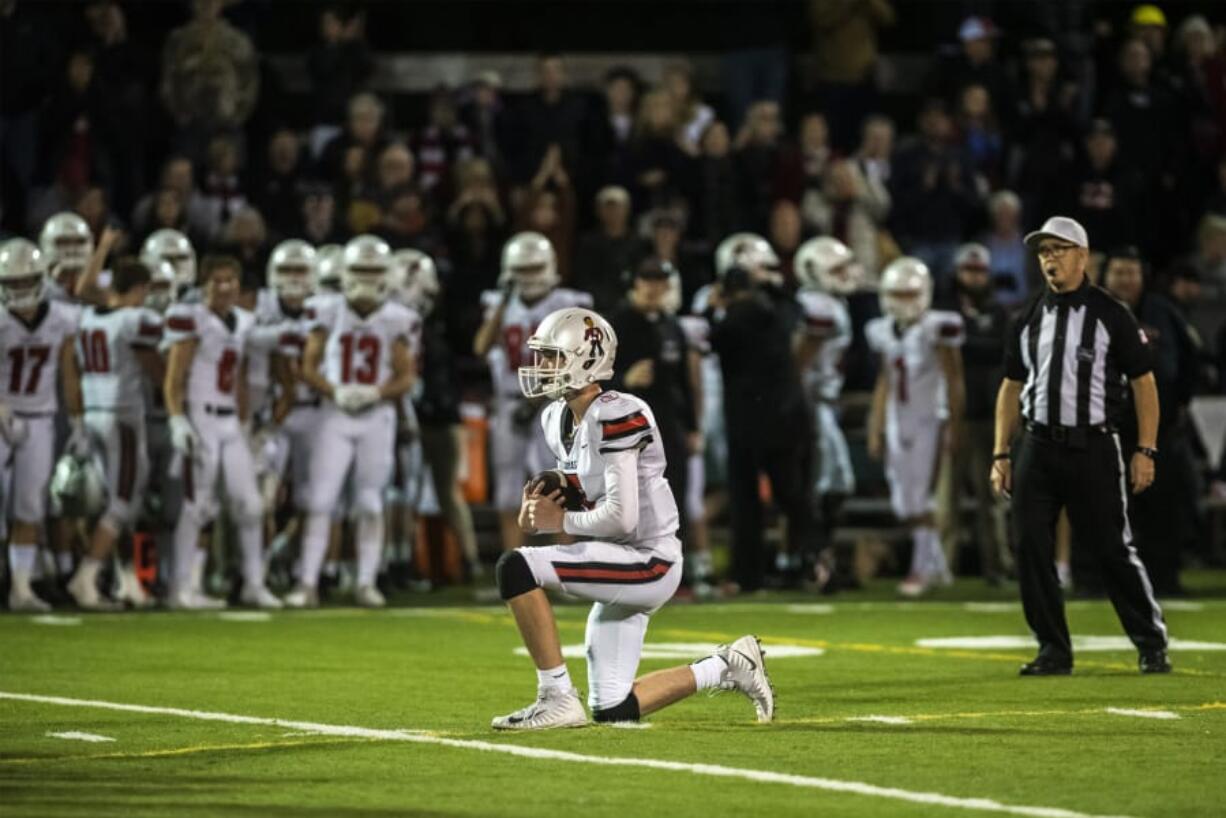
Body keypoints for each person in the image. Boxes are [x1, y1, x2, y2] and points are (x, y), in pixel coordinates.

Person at [492, 306, 773, 729]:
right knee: (613, 709)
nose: (542, 366)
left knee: (515, 566)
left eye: (552, 356)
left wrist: (559, 521)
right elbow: (587, 484)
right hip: (619, 557)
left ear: (585, 359)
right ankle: (727, 664)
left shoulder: (618, 410)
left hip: (649, 559)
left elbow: (622, 519)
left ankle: (556, 696)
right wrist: (553, 489)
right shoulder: (556, 417)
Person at [990, 216, 1170, 675]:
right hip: (1037, 443)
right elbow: (1011, 386)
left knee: (1112, 548)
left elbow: (1144, 382)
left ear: (1083, 256)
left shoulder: (1111, 313)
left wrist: (1145, 449)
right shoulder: (1027, 317)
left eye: (1059, 249)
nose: (1050, 258)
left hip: (1093, 445)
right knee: (1030, 545)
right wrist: (1001, 453)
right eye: (1044, 251)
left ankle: (1151, 643)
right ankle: (1053, 648)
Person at [287, 235, 418, 608]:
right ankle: (306, 582)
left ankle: (365, 581)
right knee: (320, 500)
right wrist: (334, 390)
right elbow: (307, 366)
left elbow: (407, 374)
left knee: (370, 503)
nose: (365, 278)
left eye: (373, 270)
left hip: (377, 416)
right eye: (359, 270)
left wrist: (377, 393)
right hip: (334, 414)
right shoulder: (325, 309)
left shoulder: (397, 318)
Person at [163, 255, 282, 610]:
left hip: (230, 421)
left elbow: (242, 378)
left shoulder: (244, 322)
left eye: (231, 280)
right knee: (195, 506)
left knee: (249, 505)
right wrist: (176, 418)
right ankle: (180, 587)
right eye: (218, 280)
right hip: (200, 417)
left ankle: (253, 583)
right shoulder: (192, 318)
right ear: (204, 285)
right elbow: (175, 374)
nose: (226, 287)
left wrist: (247, 425)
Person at [706, 236, 814, 592]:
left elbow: (713, 339)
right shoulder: (776, 311)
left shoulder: (735, 318)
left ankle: (748, 575)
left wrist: (711, 310)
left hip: (747, 424)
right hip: (784, 418)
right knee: (793, 498)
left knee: (747, 504)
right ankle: (815, 562)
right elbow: (797, 314)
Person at [473, 232, 591, 555]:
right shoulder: (498, 305)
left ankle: (567, 569)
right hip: (510, 403)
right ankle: (515, 569)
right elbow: (481, 347)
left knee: (563, 487)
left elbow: (578, 358)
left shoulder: (567, 302)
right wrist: (502, 302)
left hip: (554, 403)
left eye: (534, 268)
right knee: (509, 493)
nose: (528, 277)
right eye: (521, 270)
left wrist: (539, 397)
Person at [1101, 246, 1200, 596]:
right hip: (1106, 434)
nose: (1125, 280)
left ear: (1143, 277)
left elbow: (1191, 360)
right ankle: (1098, 581)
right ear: (1105, 276)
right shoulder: (1090, 311)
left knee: (1163, 512)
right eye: (1118, 272)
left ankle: (1165, 579)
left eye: (1132, 272)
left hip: (1158, 433)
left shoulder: (1162, 312)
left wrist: (1179, 406)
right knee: (1103, 513)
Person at [66, 257, 164, 610]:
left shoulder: (89, 317)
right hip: (121, 416)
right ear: (139, 289)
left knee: (120, 504)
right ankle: (86, 577)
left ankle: (127, 582)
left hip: (93, 413)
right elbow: (156, 367)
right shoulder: (132, 319)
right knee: (122, 503)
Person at [866, 257, 965, 597]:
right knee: (903, 505)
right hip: (898, 418)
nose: (905, 302)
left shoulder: (938, 326)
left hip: (929, 417)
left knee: (921, 501)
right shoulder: (880, 330)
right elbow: (885, 381)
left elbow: (954, 378)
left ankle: (920, 570)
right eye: (898, 294)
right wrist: (875, 426)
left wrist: (954, 423)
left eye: (911, 294)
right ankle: (937, 565)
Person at [0, 239, 87, 611]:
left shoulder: (62, 318)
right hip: (2, 415)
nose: (19, 290)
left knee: (30, 507)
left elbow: (69, 374)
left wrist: (78, 421)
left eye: (25, 281)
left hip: (40, 419)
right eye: (12, 283)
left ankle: (21, 588)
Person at [609, 259, 698, 552]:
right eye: (647, 279)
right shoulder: (616, 324)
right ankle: (627, 562)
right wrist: (625, 379)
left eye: (659, 280)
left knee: (673, 493)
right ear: (634, 283)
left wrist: (693, 427)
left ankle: (671, 566)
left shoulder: (671, 326)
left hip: (668, 423)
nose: (653, 287)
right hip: (626, 426)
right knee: (629, 497)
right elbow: (592, 379)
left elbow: (684, 381)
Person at [935, 243, 1011, 584]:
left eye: (979, 271)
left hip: (988, 414)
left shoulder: (999, 313)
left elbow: (1002, 352)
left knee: (991, 498)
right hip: (953, 415)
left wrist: (968, 343)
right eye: (969, 270)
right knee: (947, 498)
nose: (974, 277)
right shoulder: (944, 310)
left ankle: (997, 565)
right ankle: (942, 567)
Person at [793, 237, 860, 588]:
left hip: (822, 403)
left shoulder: (831, 302)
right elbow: (799, 360)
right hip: (811, 405)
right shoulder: (817, 304)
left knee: (833, 484)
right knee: (825, 486)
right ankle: (813, 562)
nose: (845, 274)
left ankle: (818, 559)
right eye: (836, 268)